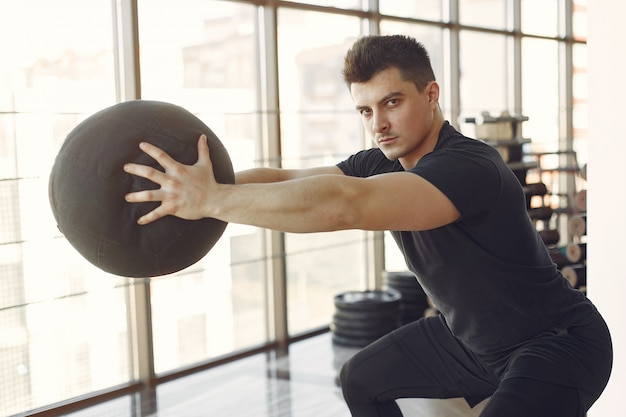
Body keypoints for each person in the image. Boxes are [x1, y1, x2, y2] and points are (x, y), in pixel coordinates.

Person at [123, 35, 612, 416]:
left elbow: (343, 205)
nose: (378, 123)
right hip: (471, 341)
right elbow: (289, 179)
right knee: (361, 378)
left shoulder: (470, 166)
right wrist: (198, 190)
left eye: (392, 102)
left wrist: (211, 199)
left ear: (431, 93)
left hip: (556, 342)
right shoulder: (377, 161)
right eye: (365, 110)